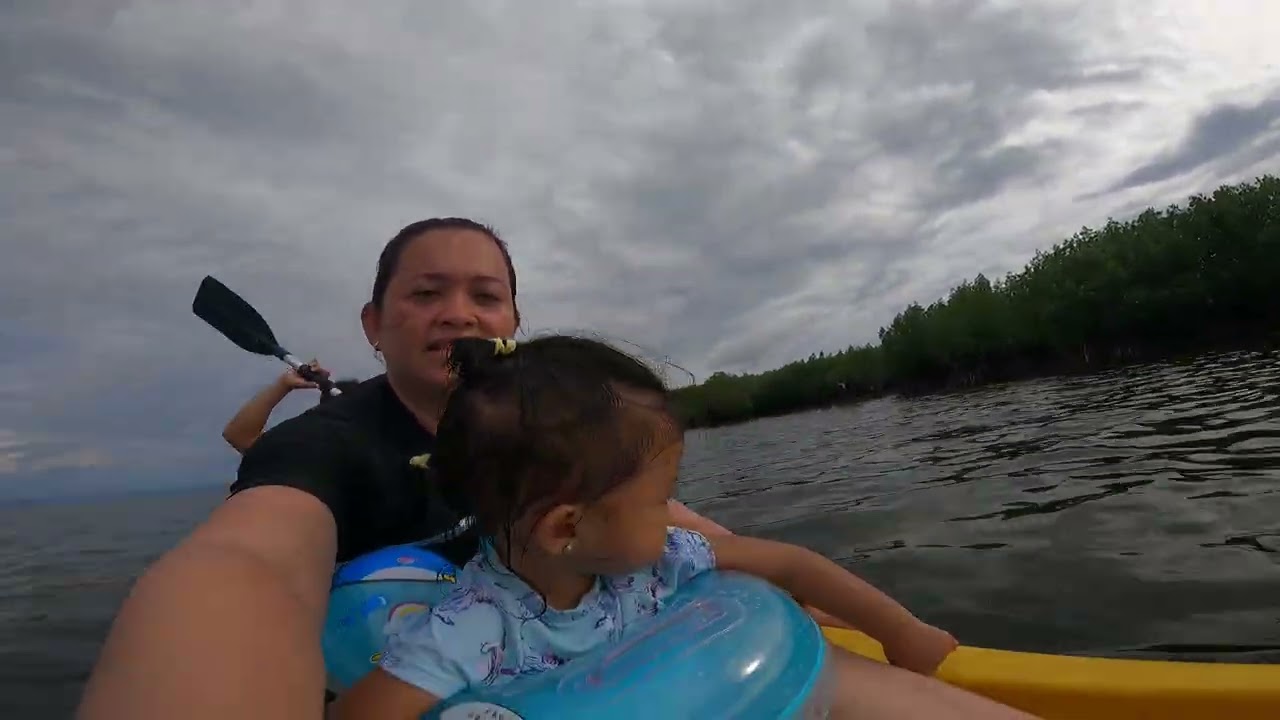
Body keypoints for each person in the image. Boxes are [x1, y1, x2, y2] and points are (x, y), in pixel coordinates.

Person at [77, 218, 736, 720]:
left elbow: (643, 513)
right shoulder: (325, 446)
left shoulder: (554, 433)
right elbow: (251, 564)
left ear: (512, 324)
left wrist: (745, 559)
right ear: (374, 325)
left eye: (486, 295)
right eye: (425, 294)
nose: (458, 312)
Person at [331, 336, 1036, 719]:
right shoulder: (474, 630)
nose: (674, 513)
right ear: (566, 527)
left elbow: (790, 566)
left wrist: (903, 632)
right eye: (662, 494)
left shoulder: (658, 560)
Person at [221, 362, 362, 453]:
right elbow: (239, 436)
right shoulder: (310, 454)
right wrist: (284, 384)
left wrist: (283, 385)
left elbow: (239, 436)